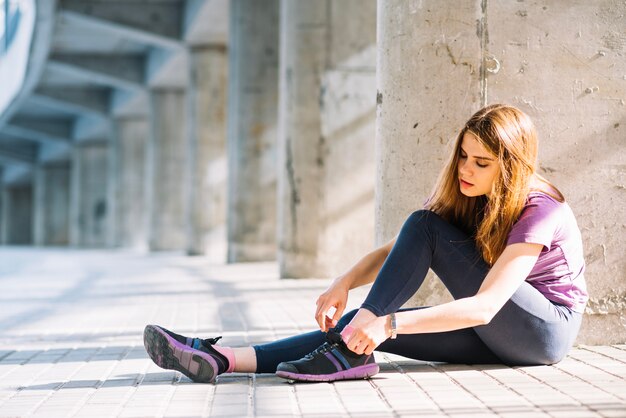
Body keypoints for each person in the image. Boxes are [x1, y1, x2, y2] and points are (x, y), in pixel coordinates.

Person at [143, 104, 588, 383]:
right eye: (462, 157)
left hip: (541, 332)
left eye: (481, 163)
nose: (465, 170)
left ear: (509, 167)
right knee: (360, 323)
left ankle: (344, 354)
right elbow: (402, 247)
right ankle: (223, 358)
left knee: (388, 299)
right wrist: (346, 281)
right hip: (498, 336)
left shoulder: (540, 207)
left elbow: (486, 305)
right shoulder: (470, 193)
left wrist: (389, 323)